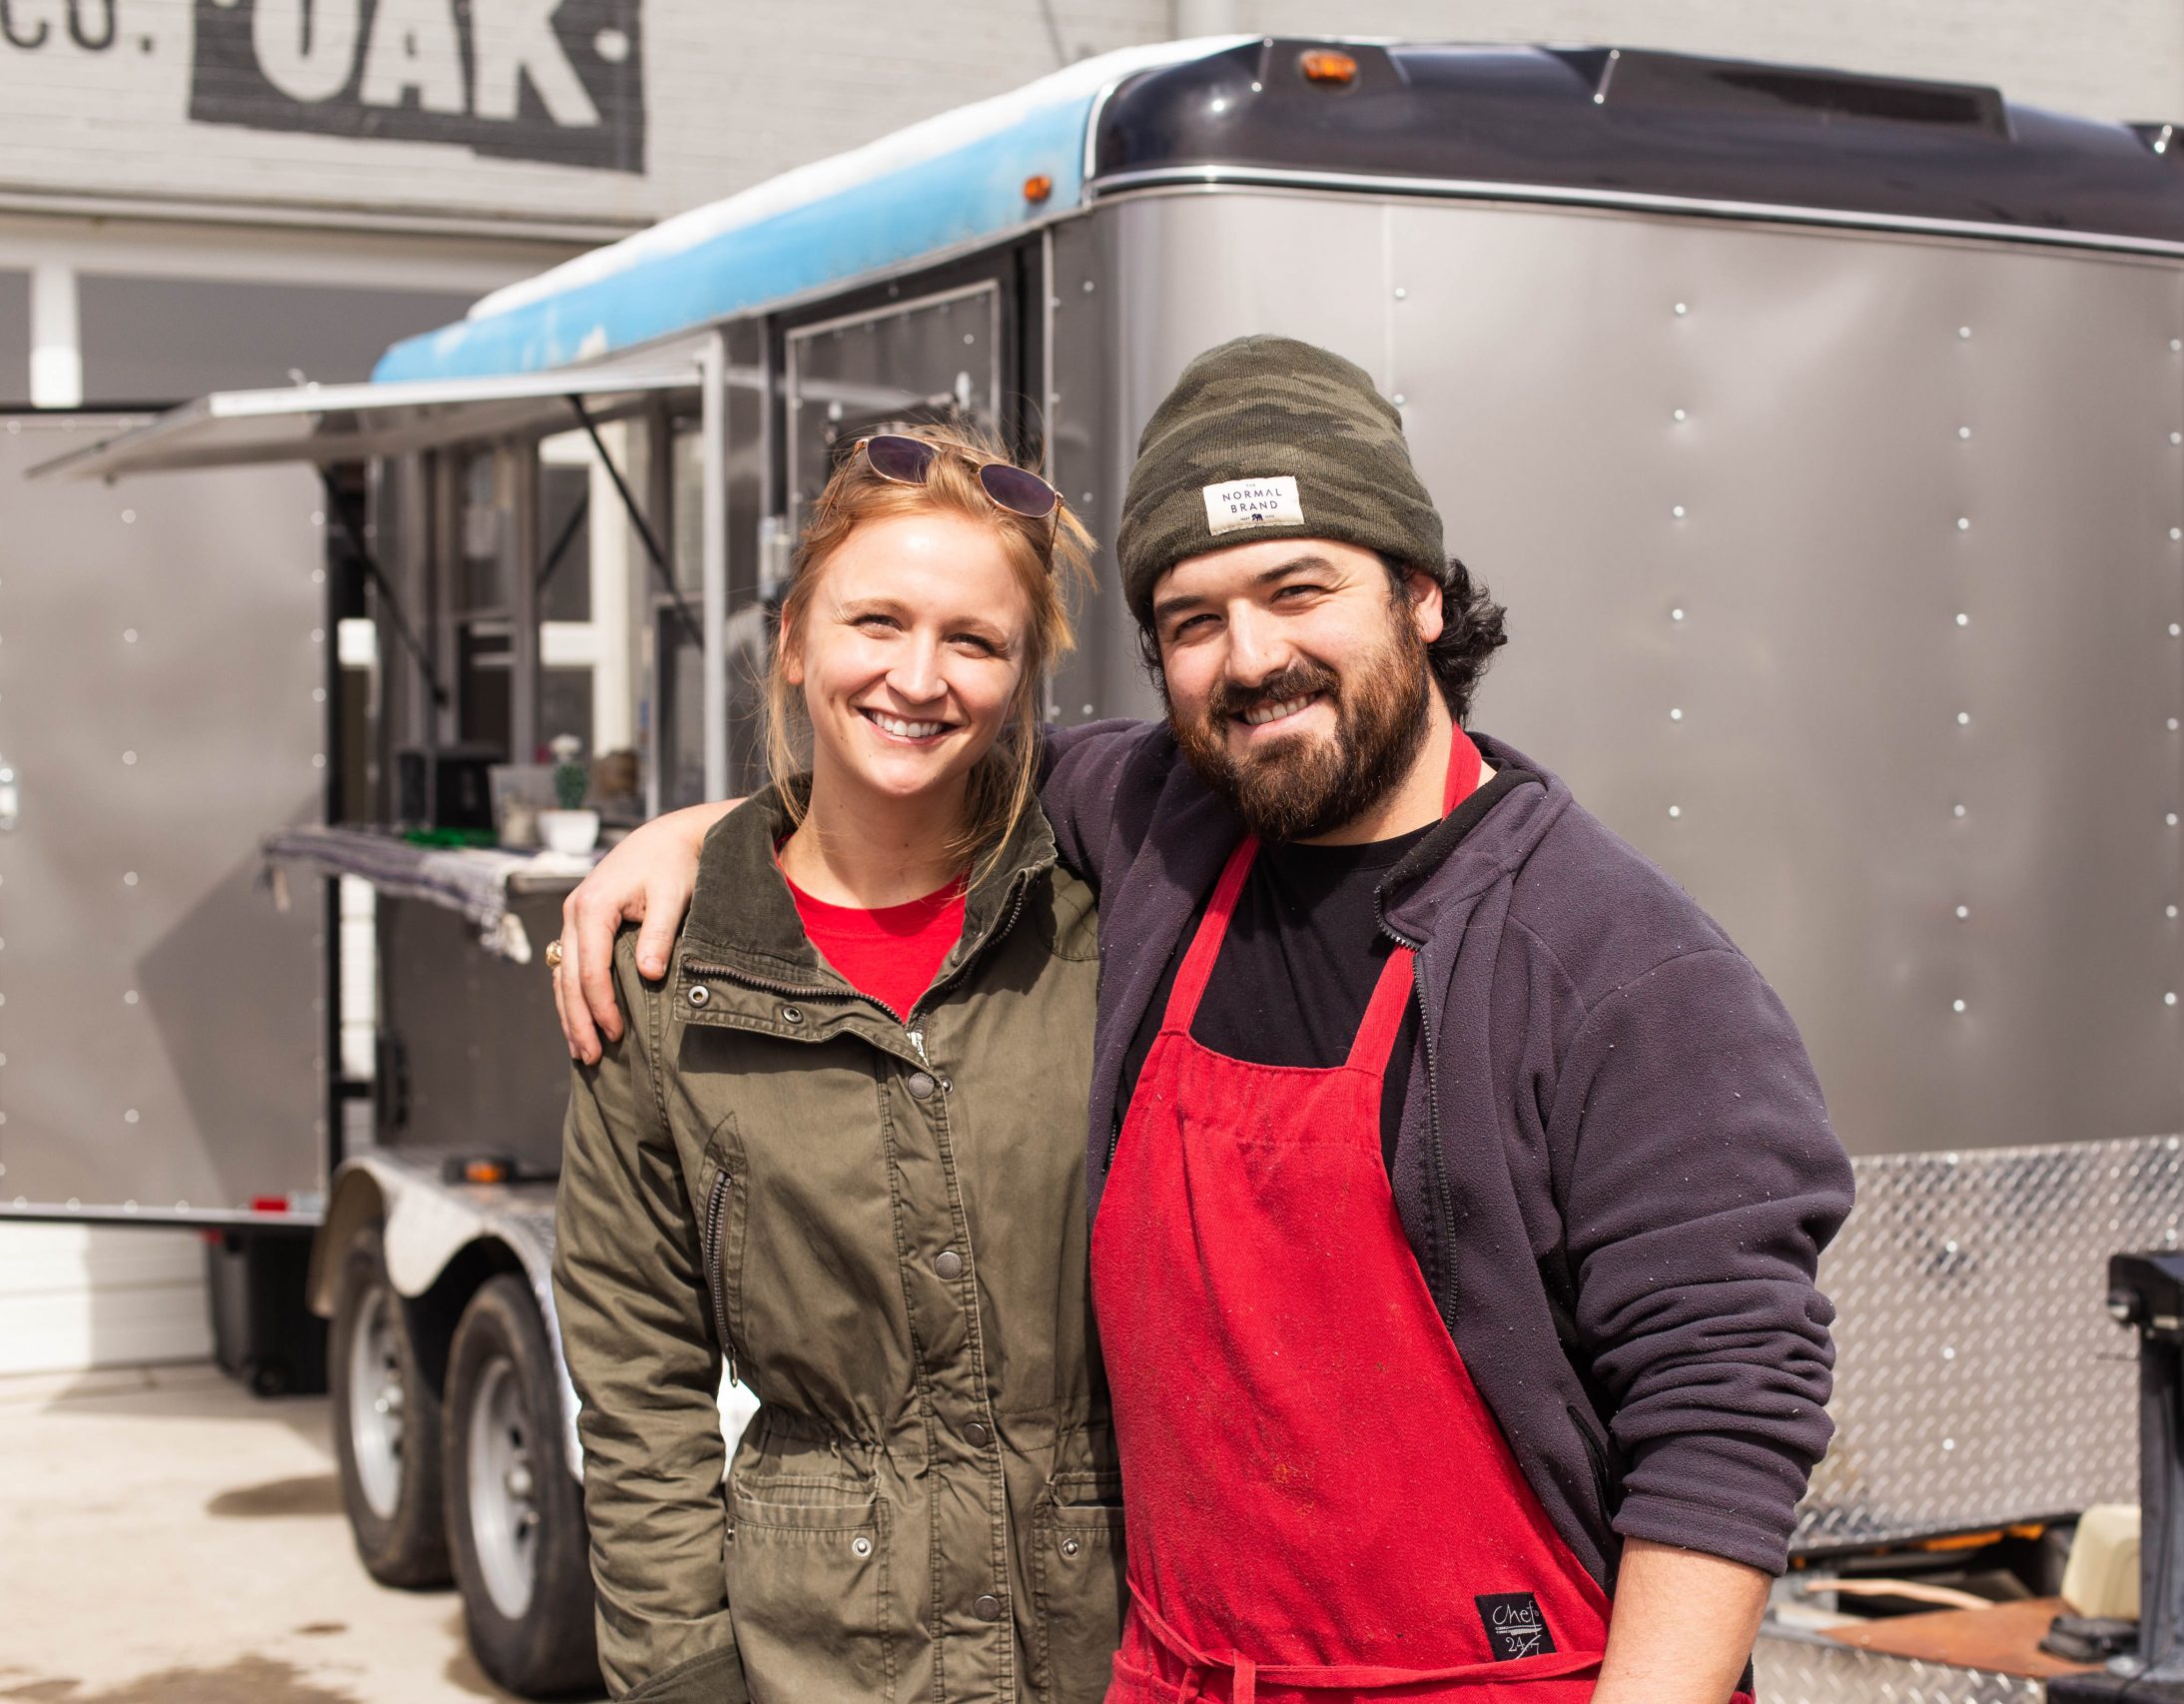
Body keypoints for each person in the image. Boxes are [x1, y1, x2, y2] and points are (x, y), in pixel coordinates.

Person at [556, 337, 1855, 1704]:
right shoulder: (1160, 831)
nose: (1253, 657)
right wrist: (708, 836)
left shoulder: (1616, 964)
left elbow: (1728, 1413)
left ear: (1420, 594)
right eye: (1193, 618)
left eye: (1299, 589)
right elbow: (904, 760)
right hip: (1178, 1675)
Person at [551, 424, 1126, 1704]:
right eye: (877, 621)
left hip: (1114, 1648)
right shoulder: (667, 976)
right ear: (795, 638)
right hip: (816, 1658)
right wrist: (681, 1679)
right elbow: (637, 1386)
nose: (918, 677)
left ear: (1021, 678)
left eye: (974, 641)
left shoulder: (1106, 930)